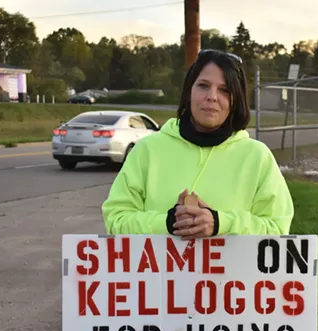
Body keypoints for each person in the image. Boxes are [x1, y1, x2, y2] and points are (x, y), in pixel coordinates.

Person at [101, 49, 294, 238]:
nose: (212, 96)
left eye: (224, 90)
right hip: (159, 271)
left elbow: (277, 229)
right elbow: (116, 220)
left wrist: (220, 223)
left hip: (231, 272)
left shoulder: (257, 156)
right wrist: (168, 223)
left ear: (236, 100)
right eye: (203, 85)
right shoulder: (147, 150)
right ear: (189, 91)